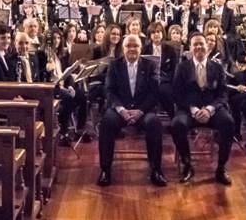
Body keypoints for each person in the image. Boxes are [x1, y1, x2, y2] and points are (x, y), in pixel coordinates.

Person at [97, 34, 165, 187]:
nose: (132, 49)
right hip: (120, 109)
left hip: (143, 110)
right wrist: (121, 110)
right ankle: (105, 169)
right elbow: (109, 91)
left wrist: (141, 111)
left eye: (136, 46)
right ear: (123, 48)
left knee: (154, 123)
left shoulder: (150, 65)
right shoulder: (114, 65)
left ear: (141, 48)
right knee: (106, 122)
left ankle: (156, 169)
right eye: (129, 46)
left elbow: (154, 93)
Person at [170, 32, 236, 185]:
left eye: (202, 44)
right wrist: (193, 109)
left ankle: (221, 168)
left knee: (228, 123)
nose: (199, 47)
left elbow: (223, 94)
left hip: (212, 108)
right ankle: (187, 165)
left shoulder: (217, 67)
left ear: (207, 46)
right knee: (177, 125)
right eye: (195, 44)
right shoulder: (182, 67)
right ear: (190, 48)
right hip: (189, 109)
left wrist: (209, 109)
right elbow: (177, 94)